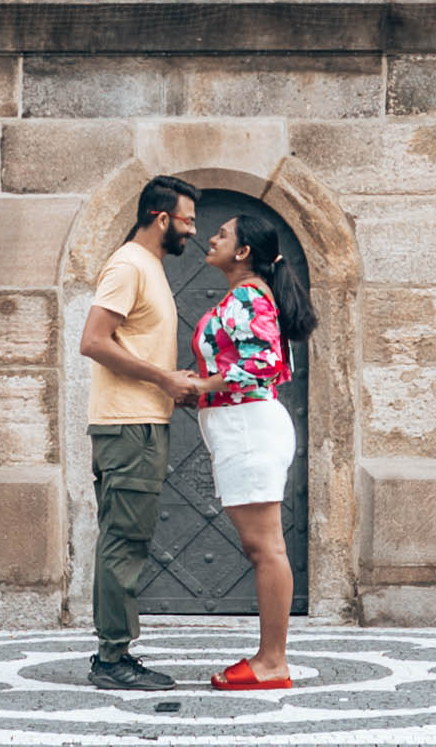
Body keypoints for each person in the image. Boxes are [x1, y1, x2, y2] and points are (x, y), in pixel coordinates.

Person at [78, 180, 196, 691]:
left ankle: (114, 653)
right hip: (128, 426)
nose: (194, 230)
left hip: (139, 423)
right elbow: (93, 341)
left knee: (126, 538)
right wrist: (163, 379)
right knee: (123, 542)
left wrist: (170, 383)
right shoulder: (129, 265)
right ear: (161, 217)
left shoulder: (148, 267)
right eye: (188, 220)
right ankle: (112, 660)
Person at [189, 207, 311, 690]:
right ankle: (270, 658)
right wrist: (201, 390)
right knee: (262, 546)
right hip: (243, 426)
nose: (211, 239)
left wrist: (201, 385)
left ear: (243, 251)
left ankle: (272, 662)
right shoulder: (248, 295)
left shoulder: (247, 295)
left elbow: (265, 363)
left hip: (248, 428)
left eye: (222, 235)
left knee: (266, 548)